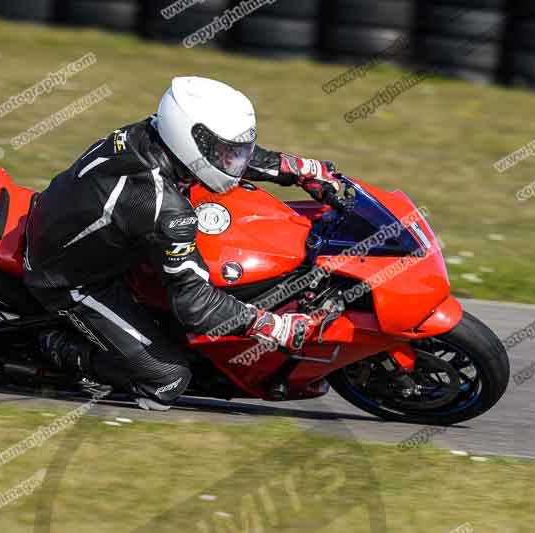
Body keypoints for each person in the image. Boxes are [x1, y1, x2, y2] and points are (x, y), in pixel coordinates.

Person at [23, 76, 342, 410]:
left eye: (236, 151)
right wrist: (274, 326)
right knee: (169, 379)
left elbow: (226, 159)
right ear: (189, 139)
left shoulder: (154, 134)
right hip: (70, 278)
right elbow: (195, 305)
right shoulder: (161, 205)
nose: (234, 160)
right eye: (226, 152)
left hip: (80, 221)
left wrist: (303, 169)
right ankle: (58, 349)